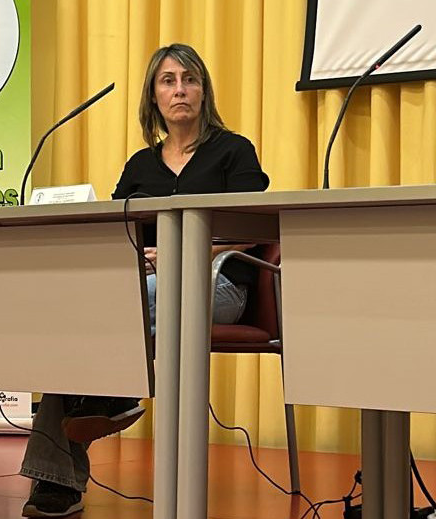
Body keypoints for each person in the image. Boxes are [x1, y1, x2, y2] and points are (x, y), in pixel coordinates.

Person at [20, 43, 269, 518]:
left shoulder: (233, 151)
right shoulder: (141, 165)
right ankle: (62, 475)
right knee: (86, 304)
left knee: (130, 299)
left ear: (203, 91)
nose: (180, 90)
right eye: (168, 81)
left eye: (190, 80)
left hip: (219, 288)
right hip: (149, 288)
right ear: (153, 97)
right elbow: (115, 232)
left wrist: (180, 254)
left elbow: (251, 227)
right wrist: (136, 255)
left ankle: (108, 396)